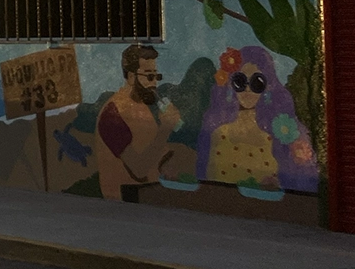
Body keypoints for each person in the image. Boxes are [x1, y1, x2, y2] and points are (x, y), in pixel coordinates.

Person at [197, 45, 315, 191]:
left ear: (267, 87)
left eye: (256, 83)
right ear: (230, 84)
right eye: (240, 82)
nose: (247, 89)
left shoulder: (279, 132)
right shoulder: (215, 130)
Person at [95, 43, 182, 201]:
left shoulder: (141, 105)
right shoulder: (112, 115)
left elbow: (153, 149)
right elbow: (139, 169)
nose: (154, 83)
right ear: (131, 76)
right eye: (149, 76)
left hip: (150, 194)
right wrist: (165, 129)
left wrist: (169, 163)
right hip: (126, 200)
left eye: (157, 76)